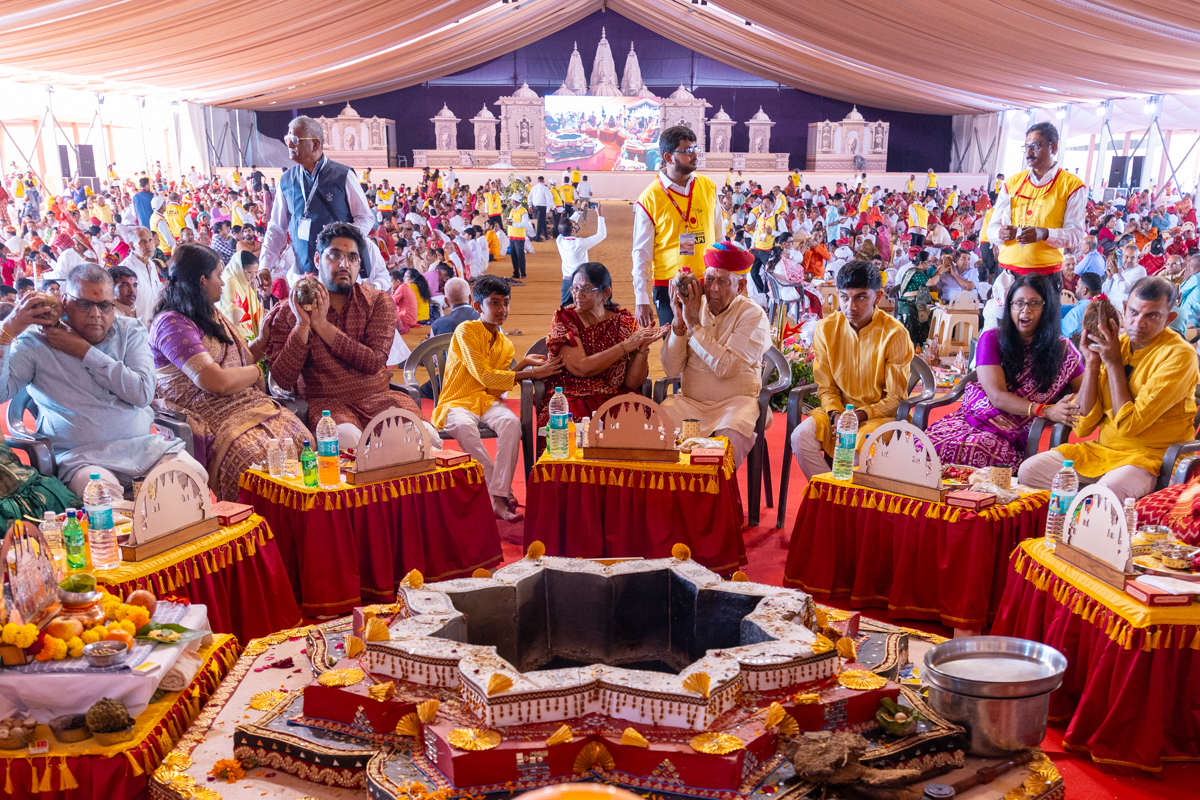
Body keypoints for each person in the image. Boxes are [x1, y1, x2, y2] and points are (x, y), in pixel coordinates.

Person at [0, 265, 207, 505]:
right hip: (83, 459)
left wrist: (84, 351)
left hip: (146, 450)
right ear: (65, 301)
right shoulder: (38, 341)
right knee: (104, 502)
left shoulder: (130, 331)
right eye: (85, 304)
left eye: (105, 306)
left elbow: (141, 393)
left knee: (192, 478)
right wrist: (8, 330)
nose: (96, 314)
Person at [149, 244, 311, 500]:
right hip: (209, 412)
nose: (223, 283)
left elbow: (240, 361)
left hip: (247, 404)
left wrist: (263, 338)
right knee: (254, 462)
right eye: (218, 275)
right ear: (203, 281)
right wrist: (257, 373)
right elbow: (215, 381)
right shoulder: (171, 323)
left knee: (303, 441)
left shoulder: (210, 314)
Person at [1018, 277, 1198, 504]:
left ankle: (1090, 522)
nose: (1138, 323)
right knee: (1029, 471)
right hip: (1103, 450)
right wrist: (1092, 362)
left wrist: (1112, 363)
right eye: (1133, 312)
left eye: (1152, 316)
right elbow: (1083, 424)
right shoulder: (1115, 344)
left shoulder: (1179, 355)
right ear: (1124, 309)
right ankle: (1074, 521)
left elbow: (1130, 425)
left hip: (1152, 457)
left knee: (1108, 491)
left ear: (1169, 319)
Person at [263, 221, 435, 449]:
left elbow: (374, 362)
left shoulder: (376, 302)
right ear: (317, 259)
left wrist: (323, 326)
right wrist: (302, 327)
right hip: (325, 405)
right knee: (346, 441)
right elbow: (283, 380)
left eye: (352, 258)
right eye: (334, 255)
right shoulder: (289, 310)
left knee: (427, 439)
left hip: (379, 398)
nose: (344, 264)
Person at [432, 275, 562, 522]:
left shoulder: (505, 344)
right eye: (494, 303)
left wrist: (522, 363)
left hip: (485, 400)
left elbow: (492, 387)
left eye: (506, 302)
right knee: (463, 426)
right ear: (478, 306)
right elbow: (484, 375)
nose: (502, 309)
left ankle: (498, 497)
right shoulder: (466, 330)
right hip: (457, 400)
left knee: (511, 424)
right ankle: (501, 497)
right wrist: (531, 373)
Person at [926, 274, 1084, 469]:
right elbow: (997, 397)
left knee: (979, 447)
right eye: (1018, 303)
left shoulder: (1062, 350)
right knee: (924, 447)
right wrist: (1045, 410)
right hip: (976, 417)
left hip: (1016, 432)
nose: (1025, 311)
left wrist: (1067, 404)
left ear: (1047, 308)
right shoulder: (992, 339)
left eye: (1034, 303)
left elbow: (1084, 389)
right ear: (1009, 307)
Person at [790, 261, 913, 480]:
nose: (850, 306)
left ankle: (848, 504)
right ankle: (828, 493)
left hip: (880, 417)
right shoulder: (826, 328)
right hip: (837, 414)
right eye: (845, 297)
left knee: (858, 447)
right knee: (800, 436)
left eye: (861, 297)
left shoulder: (895, 334)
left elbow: (896, 398)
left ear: (878, 295)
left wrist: (859, 416)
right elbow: (826, 387)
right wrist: (837, 415)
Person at [659, 243, 771, 468]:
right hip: (689, 404)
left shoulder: (752, 314)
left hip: (735, 406)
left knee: (728, 440)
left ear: (741, 286)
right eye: (709, 280)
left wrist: (693, 325)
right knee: (658, 427)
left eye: (723, 281)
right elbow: (671, 369)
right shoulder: (692, 308)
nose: (714, 289)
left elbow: (726, 367)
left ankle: (716, 499)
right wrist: (679, 324)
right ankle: (670, 498)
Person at [538, 262, 664, 426]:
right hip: (572, 396)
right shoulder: (565, 318)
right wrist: (625, 346)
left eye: (586, 289)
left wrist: (642, 348)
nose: (578, 294)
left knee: (635, 410)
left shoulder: (624, 322)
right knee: (570, 421)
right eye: (575, 288)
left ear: (605, 292)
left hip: (614, 395)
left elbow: (632, 383)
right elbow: (581, 368)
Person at [261, 117, 381, 287]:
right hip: (301, 274)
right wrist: (265, 265)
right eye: (287, 139)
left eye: (294, 140)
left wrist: (342, 236)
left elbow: (366, 218)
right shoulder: (287, 180)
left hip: (339, 273)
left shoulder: (342, 175)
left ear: (315, 145)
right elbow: (277, 228)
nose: (289, 145)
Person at [632, 126, 722, 327]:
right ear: (669, 157)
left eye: (695, 148)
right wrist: (641, 298)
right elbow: (641, 252)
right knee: (675, 352)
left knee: (710, 348)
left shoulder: (708, 187)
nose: (695, 155)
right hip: (669, 286)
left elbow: (719, 237)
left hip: (707, 283)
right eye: (688, 151)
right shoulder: (649, 197)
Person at [988, 122, 1086, 294]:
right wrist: (1000, 233)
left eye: (1036, 145)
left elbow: (1076, 235)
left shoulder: (1072, 185)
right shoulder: (1012, 183)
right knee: (1003, 322)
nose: (1029, 152)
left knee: (1044, 322)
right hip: (1008, 273)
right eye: (1026, 146)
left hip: (1045, 274)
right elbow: (991, 229)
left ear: (1053, 147)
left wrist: (1045, 233)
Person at [556, 205, 608, 306]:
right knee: (583, 308)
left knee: (565, 310)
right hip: (580, 282)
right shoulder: (578, 244)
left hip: (566, 281)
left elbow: (567, 225)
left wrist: (579, 211)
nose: (576, 223)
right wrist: (600, 215)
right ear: (573, 231)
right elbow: (601, 235)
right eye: (575, 224)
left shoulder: (560, 240)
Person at [217, 249, 264, 337]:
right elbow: (235, 321)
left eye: (255, 273)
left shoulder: (241, 280)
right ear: (238, 268)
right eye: (249, 272)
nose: (253, 277)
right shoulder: (231, 283)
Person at [894, 250, 937, 344]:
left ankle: (923, 343)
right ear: (921, 263)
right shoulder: (915, 273)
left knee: (933, 312)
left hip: (918, 301)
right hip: (907, 302)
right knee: (910, 313)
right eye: (928, 262)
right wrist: (940, 272)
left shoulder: (922, 271)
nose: (930, 264)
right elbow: (931, 282)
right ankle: (909, 343)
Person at [1060, 272, 1103, 339]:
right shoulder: (1103, 306)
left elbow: (1060, 333)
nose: (1075, 287)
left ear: (1084, 291)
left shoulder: (1074, 315)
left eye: (1078, 285)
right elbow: (1073, 307)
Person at [529, 176, 553, 242]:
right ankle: (537, 238)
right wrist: (550, 209)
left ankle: (546, 235)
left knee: (542, 221)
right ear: (543, 180)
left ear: (538, 180)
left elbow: (529, 197)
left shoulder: (534, 187)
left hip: (535, 206)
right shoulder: (545, 188)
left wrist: (530, 206)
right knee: (540, 222)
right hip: (542, 207)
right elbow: (549, 199)